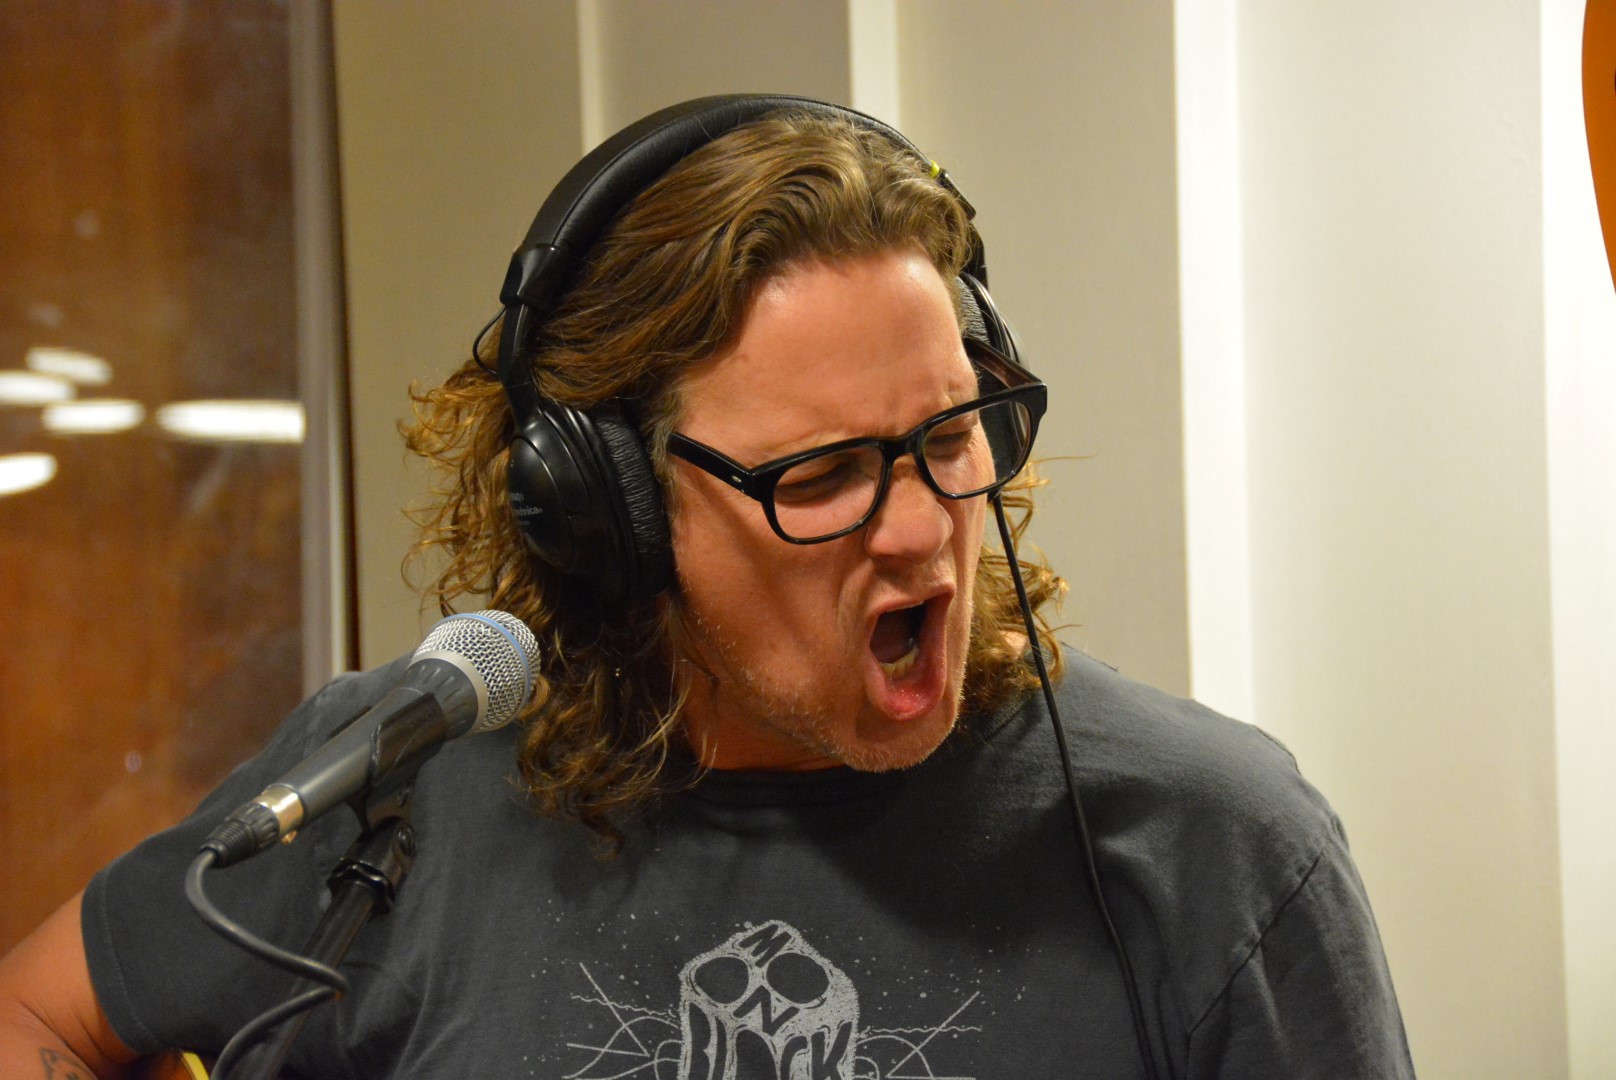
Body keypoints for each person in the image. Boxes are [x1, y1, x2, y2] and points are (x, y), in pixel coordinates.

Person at [0, 95, 1414, 1079]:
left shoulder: (1215, 847)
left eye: (949, 436)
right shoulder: (394, 795)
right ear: (607, 512)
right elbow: (38, 1017)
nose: (920, 528)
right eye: (821, 474)